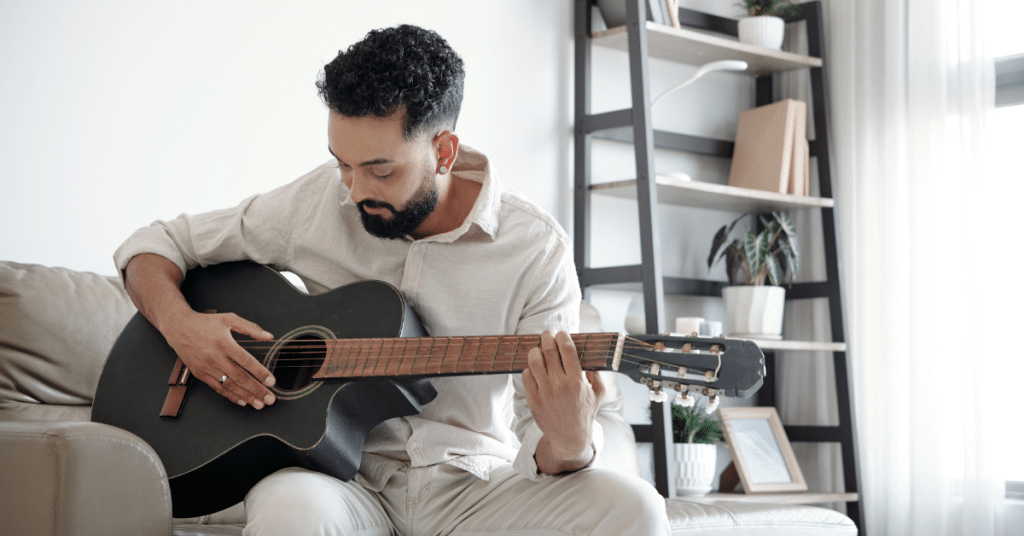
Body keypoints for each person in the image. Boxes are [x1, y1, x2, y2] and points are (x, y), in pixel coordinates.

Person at [115, 24, 669, 535]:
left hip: (473, 488)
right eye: (341, 163)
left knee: (636, 507)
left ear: (444, 151)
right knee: (289, 510)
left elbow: (542, 444)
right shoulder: (319, 201)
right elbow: (153, 244)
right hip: (339, 477)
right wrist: (183, 327)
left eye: (380, 170)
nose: (353, 190)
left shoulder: (535, 248)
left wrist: (571, 444)